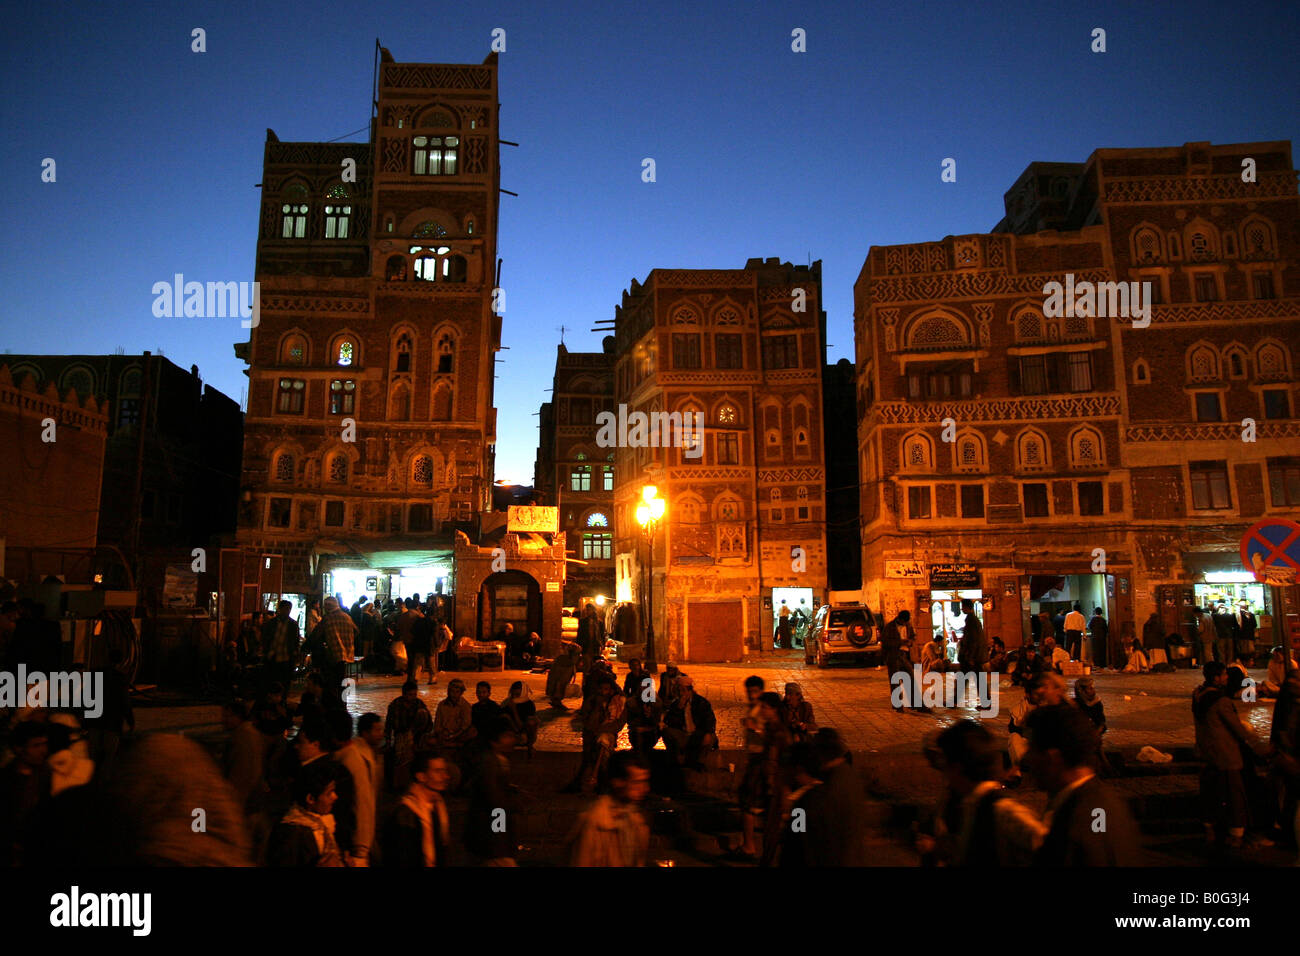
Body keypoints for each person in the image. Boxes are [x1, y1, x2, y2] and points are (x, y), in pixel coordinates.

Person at [917, 720, 1046, 866]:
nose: (943, 774)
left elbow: (1049, 849)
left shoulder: (1003, 810)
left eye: (945, 766)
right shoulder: (972, 804)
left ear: (956, 768)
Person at [1024, 704, 1141, 866]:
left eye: (1031, 750)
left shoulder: (1074, 823)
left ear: (1053, 758)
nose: (1026, 759)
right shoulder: (1102, 800)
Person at [1193, 661, 1269, 849]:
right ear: (1216, 677)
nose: (1227, 678)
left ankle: (1209, 829)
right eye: (1224, 674)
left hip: (1206, 752)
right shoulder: (1221, 701)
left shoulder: (1198, 695)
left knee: (1210, 793)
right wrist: (1260, 747)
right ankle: (1236, 835)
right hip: (1226, 754)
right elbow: (1238, 729)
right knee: (1234, 795)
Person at [568, 752, 652, 866]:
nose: (644, 788)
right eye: (636, 782)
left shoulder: (636, 820)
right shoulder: (594, 823)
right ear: (618, 782)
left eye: (645, 781)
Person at [266, 759, 344, 867]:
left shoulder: (325, 824)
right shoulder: (290, 832)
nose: (335, 797)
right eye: (329, 793)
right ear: (310, 799)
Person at [464, 719, 520, 865]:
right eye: (507, 736)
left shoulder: (497, 761)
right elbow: (494, 803)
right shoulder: (489, 763)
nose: (512, 739)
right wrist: (499, 842)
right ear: (495, 741)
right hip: (490, 837)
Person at [383, 751, 452, 867]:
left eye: (445, 771)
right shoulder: (406, 813)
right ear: (421, 776)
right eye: (438, 771)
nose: (446, 776)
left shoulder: (437, 806)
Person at [334, 712, 384, 866]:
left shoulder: (368, 754)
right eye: (377, 730)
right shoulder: (356, 757)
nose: (381, 734)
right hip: (359, 835)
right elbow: (362, 801)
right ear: (364, 732)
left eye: (381, 730)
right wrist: (361, 843)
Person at [0, 721, 50, 866]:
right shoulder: (6, 780)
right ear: (18, 748)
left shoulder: (47, 775)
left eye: (45, 744)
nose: (43, 750)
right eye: (36, 745)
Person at [1007, 672, 1066, 786]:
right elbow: (1014, 729)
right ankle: (1018, 774)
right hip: (1028, 741)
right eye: (1037, 693)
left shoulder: (1058, 708)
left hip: (1046, 745)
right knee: (1014, 739)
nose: (1041, 694)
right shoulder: (1020, 708)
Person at [569, 677, 627, 793]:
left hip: (606, 734)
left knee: (603, 758)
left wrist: (602, 729)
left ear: (611, 689)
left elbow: (619, 723)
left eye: (606, 689)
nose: (602, 691)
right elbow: (586, 718)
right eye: (601, 689)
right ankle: (583, 783)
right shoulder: (592, 700)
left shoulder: (618, 702)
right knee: (588, 759)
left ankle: (603, 785)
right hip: (591, 733)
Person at [384, 681, 432, 792]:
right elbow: (389, 724)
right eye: (410, 695)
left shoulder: (419, 704)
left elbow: (428, 724)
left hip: (416, 736)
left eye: (414, 695)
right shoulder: (395, 705)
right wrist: (387, 740)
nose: (412, 697)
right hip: (401, 735)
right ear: (404, 694)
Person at [661, 675, 716, 770]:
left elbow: (710, 720)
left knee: (709, 737)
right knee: (667, 732)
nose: (681, 693)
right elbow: (669, 721)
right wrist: (679, 709)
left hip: (698, 734)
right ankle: (675, 759)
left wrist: (708, 732)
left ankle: (699, 762)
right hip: (683, 734)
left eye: (683, 690)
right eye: (679, 691)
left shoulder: (701, 702)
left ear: (690, 690)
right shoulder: (676, 704)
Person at [310, 597, 356, 703]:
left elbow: (315, 636)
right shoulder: (347, 617)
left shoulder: (327, 618)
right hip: (346, 654)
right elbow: (356, 631)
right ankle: (342, 704)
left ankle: (332, 705)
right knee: (342, 682)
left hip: (331, 655)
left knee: (331, 683)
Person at [1073, 677, 1114, 776]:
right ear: (1081, 691)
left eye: (1092, 688)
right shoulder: (1074, 704)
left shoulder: (1096, 703)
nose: (1093, 691)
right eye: (1089, 688)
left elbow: (1101, 722)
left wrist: (1095, 733)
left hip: (1092, 733)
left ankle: (1106, 769)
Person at [260, 600, 301, 694]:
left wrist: (294, 655)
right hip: (273, 657)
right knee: (271, 682)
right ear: (280, 610)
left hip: (286, 658)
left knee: (284, 683)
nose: (287, 611)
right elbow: (266, 638)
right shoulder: (272, 623)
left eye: (289, 609)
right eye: (285, 609)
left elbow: (295, 641)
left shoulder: (293, 625)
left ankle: (281, 701)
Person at [432, 678, 476, 758]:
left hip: (459, 735)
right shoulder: (442, 705)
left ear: (461, 693)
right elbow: (437, 724)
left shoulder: (465, 706)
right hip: (445, 735)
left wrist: (454, 735)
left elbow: (465, 726)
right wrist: (442, 734)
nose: (454, 695)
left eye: (457, 692)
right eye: (451, 691)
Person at [502, 681, 539, 754]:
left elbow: (521, 726)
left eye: (517, 694)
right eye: (513, 694)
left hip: (524, 734)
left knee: (533, 721)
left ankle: (529, 745)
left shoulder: (529, 704)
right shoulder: (507, 703)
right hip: (511, 734)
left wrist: (514, 710)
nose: (515, 696)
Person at [881, 610, 914, 691]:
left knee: (910, 678)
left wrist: (910, 642)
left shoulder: (908, 625)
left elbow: (912, 636)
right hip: (893, 656)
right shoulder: (889, 627)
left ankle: (914, 702)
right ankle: (897, 703)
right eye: (903, 622)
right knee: (895, 682)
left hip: (904, 655)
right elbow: (885, 643)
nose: (904, 624)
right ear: (900, 619)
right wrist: (900, 642)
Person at [546, 640, 580, 710]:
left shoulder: (568, 662)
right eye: (577, 654)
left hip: (560, 679)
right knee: (559, 686)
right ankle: (556, 701)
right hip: (558, 680)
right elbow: (559, 679)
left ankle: (556, 700)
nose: (578, 656)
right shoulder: (564, 663)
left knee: (561, 686)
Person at [957, 600, 988, 672]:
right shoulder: (973, 619)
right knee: (977, 673)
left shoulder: (971, 620)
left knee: (966, 673)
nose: (962, 609)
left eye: (963, 607)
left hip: (971, 654)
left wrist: (970, 655)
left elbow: (972, 639)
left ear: (967, 607)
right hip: (974, 654)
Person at [1234, 600, 1257, 666]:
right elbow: (1254, 625)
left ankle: (1244, 662)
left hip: (1242, 636)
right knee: (1249, 650)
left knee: (1243, 650)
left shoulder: (1238, 615)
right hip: (1249, 636)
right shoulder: (1251, 615)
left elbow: (1237, 625)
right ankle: (1249, 662)